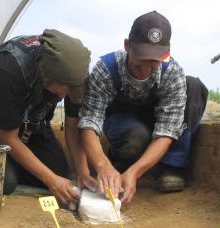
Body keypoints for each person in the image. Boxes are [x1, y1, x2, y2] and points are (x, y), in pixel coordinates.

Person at [78, 11, 208, 205]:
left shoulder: (172, 73)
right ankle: (121, 164)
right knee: (135, 137)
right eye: (141, 58)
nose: (146, 69)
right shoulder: (105, 69)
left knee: (194, 86)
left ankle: (170, 166)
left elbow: (166, 131)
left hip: (155, 120)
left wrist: (135, 173)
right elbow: (89, 121)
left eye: (154, 61)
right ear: (127, 45)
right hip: (124, 120)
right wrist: (102, 164)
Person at [0, 29, 96, 204]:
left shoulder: (75, 76)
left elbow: (71, 128)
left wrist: (83, 173)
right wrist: (51, 180)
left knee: (60, 172)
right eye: (64, 90)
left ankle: (17, 164)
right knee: (5, 181)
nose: (65, 97)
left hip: (30, 116)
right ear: (46, 74)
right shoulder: (11, 66)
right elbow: (8, 138)